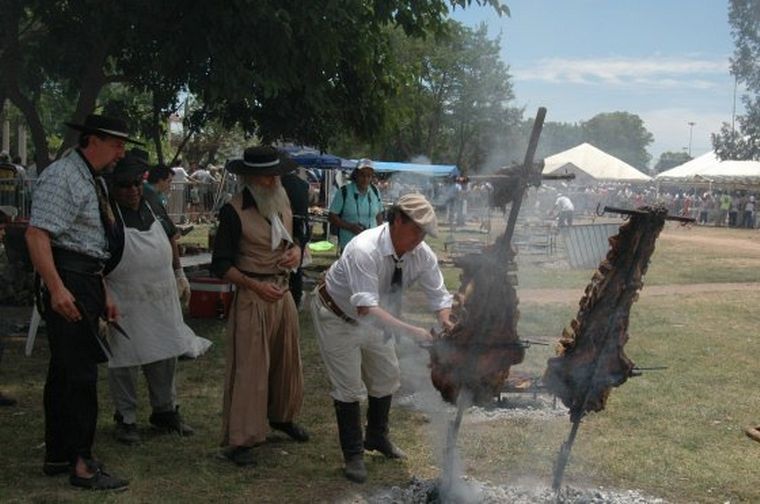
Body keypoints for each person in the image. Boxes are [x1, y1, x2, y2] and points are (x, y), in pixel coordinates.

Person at [25, 113, 136, 491]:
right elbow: (38, 235)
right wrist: (58, 288)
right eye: (116, 144)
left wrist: (103, 291)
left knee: (65, 371)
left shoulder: (90, 177)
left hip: (85, 279)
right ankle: (82, 463)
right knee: (80, 374)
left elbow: (90, 242)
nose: (121, 153)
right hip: (69, 279)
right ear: (93, 141)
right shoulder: (63, 176)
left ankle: (59, 453)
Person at [310, 193, 453, 483]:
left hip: (375, 318)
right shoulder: (364, 248)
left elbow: (439, 296)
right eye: (416, 230)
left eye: (424, 233)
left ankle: (376, 436)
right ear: (397, 220)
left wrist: (446, 321)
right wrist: (413, 332)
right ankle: (353, 454)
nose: (420, 239)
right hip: (337, 316)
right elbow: (366, 308)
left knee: (386, 376)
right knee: (349, 387)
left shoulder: (422, 253)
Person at [211, 145, 308, 467]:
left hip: (282, 294)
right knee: (251, 369)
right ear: (251, 178)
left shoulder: (282, 202)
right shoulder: (233, 211)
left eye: (276, 175)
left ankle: (282, 416)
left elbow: (294, 239)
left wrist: (296, 252)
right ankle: (242, 438)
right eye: (267, 176)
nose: (273, 181)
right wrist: (255, 286)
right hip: (253, 297)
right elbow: (220, 265)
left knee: (286, 362)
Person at [104, 149, 204, 446]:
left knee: (165, 352)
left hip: (161, 294)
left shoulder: (152, 204)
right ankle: (126, 418)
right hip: (124, 297)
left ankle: (165, 411)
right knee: (124, 360)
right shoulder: (107, 215)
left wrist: (179, 272)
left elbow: (170, 237)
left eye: (137, 184)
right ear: (114, 187)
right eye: (125, 186)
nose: (133, 191)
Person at [328, 158, 384, 251]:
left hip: (371, 244)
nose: (365, 179)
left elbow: (379, 214)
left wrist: (380, 236)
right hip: (349, 245)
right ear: (356, 174)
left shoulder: (375, 191)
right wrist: (350, 227)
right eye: (362, 175)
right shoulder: (344, 191)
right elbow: (331, 216)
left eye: (369, 176)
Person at [281, 168, 311, 308]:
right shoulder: (303, 184)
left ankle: (290, 298)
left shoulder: (281, 182)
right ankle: (295, 299)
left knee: (286, 265)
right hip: (301, 227)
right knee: (296, 268)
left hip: (288, 226)